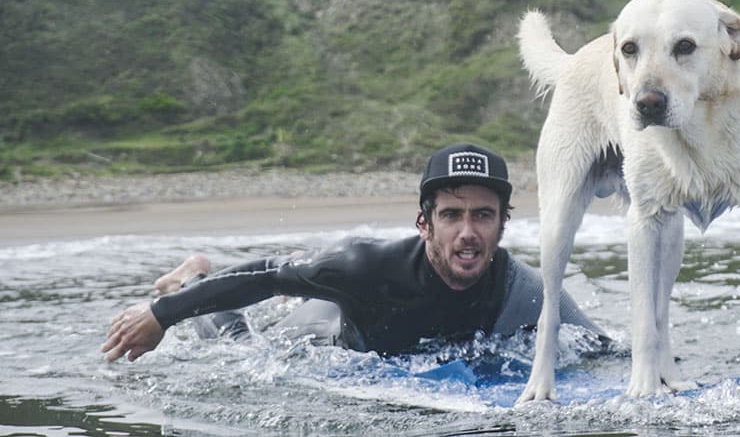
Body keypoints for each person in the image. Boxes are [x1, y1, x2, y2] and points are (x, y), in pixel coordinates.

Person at [102, 143, 601, 362]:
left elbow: (602, 347)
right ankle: (187, 277)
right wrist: (161, 314)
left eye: (483, 216)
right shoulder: (367, 266)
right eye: (451, 215)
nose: (467, 232)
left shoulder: (523, 289)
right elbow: (268, 273)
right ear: (424, 223)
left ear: (502, 226)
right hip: (320, 336)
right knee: (237, 343)